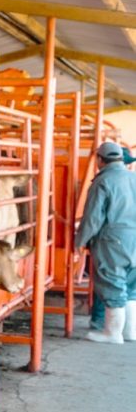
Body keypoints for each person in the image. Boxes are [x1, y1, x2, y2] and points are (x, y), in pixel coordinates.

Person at [75, 141, 136, 344]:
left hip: (114, 240)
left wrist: (80, 241)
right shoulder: (134, 177)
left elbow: (93, 218)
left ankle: (112, 333)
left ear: (100, 160)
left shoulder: (103, 181)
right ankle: (130, 332)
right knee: (132, 286)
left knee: (113, 282)